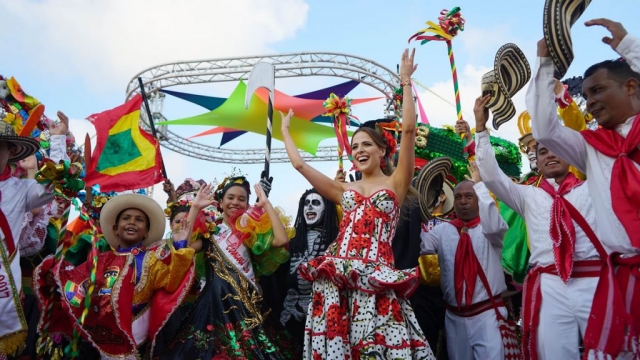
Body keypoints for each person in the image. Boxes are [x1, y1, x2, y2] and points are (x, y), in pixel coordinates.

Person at [281, 48, 435, 359]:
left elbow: (407, 129)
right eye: (354, 147)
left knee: (376, 346)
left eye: (366, 144)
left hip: (376, 276)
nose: (359, 151)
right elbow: (299, 166)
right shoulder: (343, 189)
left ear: (382, 151)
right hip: (338, 276)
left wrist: (406, 82)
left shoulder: (396, 183)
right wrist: (285, 131)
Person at [526, 19, 640, 358]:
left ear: (631, 88)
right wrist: (544, 67)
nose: (589, 102)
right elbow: (545, 129)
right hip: (620, 279)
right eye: (586, 94)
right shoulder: (591, 147)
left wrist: (630, 47)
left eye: (598, 90)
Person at [474, 94, 603, 359]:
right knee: (555, 353)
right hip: (550, 284)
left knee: (607, 351)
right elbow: (490, 175)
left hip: (594, 280)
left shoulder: (593, 186)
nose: (550, 154)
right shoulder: (527, 196)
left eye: (556, 148)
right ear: (537, 160)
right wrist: (480, 128)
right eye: (542, 151)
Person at [34, 192, 197, 359]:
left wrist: (180, 244)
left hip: (136, 340)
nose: (132, 222)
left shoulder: (153, 259)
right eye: (126, 218)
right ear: (115, 229)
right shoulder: (100, 260)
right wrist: (54, 277)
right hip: (98, 340)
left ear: (146, 232)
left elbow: (172, 281)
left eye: (139, 220)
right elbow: (76, 283)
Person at [158, 176, 295, 359]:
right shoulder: (210, 231)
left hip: (248, 304)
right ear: (220, 202)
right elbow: (184, 247)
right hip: (213, 306)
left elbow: (282, 240)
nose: (235, 202)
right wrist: (196, 207)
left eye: (241, 199)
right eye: (230, 197)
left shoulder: (251, 231)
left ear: (247, 204)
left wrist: (266, 204)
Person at [420, 164, 509, 360]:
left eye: (469, 196)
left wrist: (481, 188)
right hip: (454, 318)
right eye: (458, 197)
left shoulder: (490, 230)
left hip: (487, 315)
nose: (463, 201)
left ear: (478, 200)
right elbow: (419, 244)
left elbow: (494, 222)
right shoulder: (442, 230)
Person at [0, 114, 69, 358]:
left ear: (11, 152)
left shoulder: (23, 189)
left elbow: (53, 183)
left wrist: (58, 140)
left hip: (3, 287)